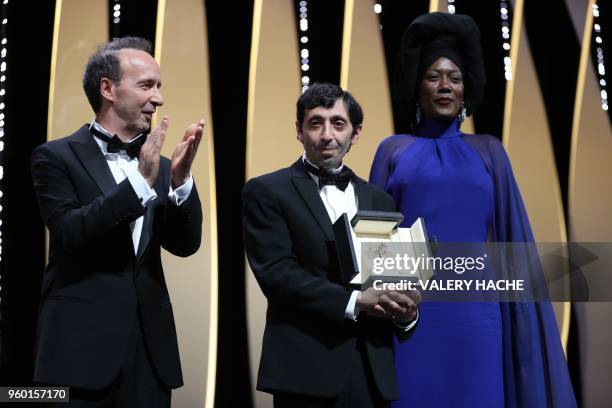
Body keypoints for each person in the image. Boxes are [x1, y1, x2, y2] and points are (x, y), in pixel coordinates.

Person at [370, 12, 577, 408]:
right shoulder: (392, 151)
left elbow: (513, 240)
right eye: (433, 76)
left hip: (477, 313)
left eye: (454, 77)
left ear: (466, 89)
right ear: (417, 85)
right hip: (414, 313)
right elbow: (376, 242)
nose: (444, 85)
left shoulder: (489, 151)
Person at [31, 37, 204, 407]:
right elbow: (70, 233)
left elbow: (185, 246)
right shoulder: (55, 157)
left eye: (159, 86)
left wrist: (180, 183)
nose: (158, 98)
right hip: (78, 355)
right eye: (146, 85)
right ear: (107, 89)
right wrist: (139, 183)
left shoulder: (157, 163)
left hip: (150, 355)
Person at [243, 83, 420, 408]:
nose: (327, 134)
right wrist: (355, 300)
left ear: (355, 133)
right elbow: (277, 275)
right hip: (305, 370)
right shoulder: (266, 191)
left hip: (372, 371)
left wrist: (404, 314)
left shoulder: (379, 199)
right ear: (299, 130)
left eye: (338, 123)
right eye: (315, 122)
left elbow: (387, 278)